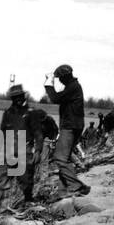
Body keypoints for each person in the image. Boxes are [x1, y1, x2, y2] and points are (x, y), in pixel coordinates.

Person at [0, 84, 46, 206]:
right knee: (1, 179)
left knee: (26, 180)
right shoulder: (7, 113)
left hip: (25, 149)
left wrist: (38, 150)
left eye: (20, 96)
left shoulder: (31, 113)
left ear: (24, 96)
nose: (18, 99)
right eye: (15, 97)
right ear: (12, 98)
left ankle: (27, 202)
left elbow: (38, 134)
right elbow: (2, 133)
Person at [43, 64, 90, 197]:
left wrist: (48, 83)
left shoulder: (73, 87)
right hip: (75, 125)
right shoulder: (73, 87)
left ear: (64, 78)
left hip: (70, 126)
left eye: (59, 79)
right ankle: (63, 191)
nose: (59, 81)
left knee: (59, 158)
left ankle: (78, 186)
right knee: (66, 158)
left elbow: (55, 98)